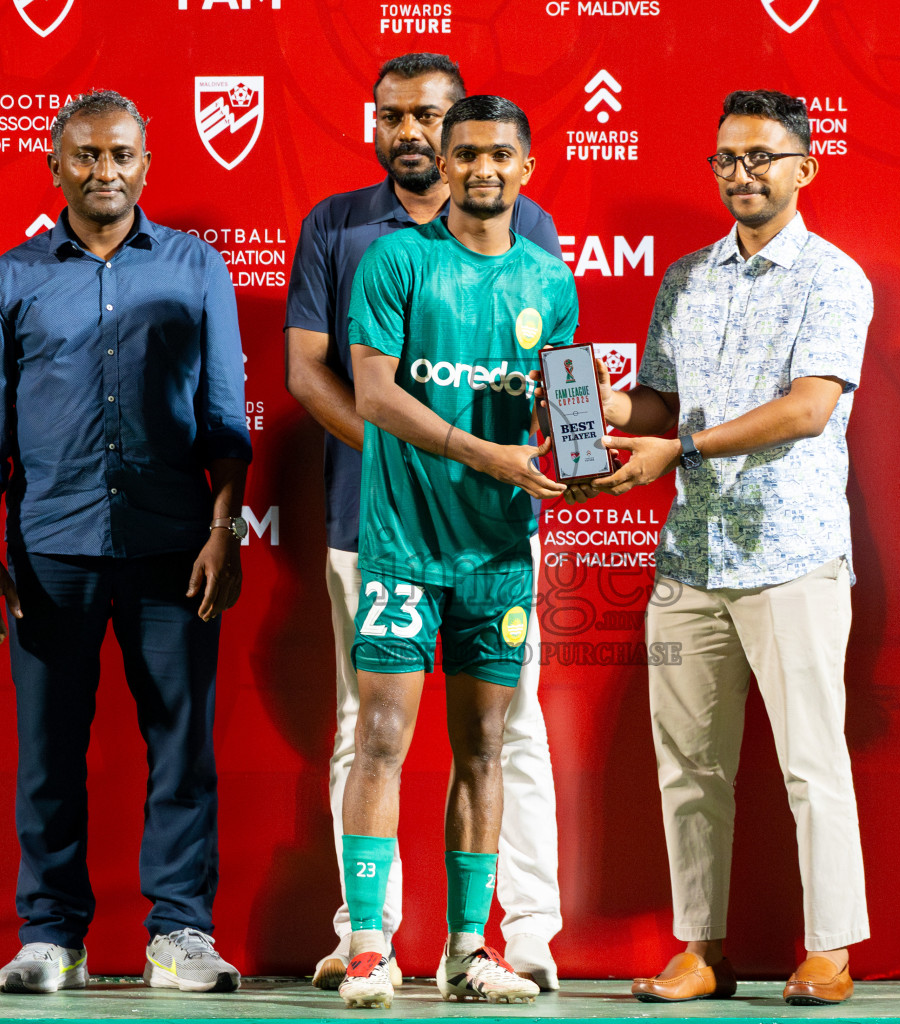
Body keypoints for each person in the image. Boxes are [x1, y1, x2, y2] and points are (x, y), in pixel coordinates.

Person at [574, 89, 872, 1006]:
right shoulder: (687, 279)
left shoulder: (834, 276)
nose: (744, 174)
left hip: (794, 552)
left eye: (763, 157)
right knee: (689, 765)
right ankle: (700, 947)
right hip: (690, 558)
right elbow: (662, 407)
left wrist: (682, 447)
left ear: (805, 167)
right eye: (728, 159)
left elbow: (808, 408)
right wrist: (600, 405)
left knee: (811, 759)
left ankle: (830, 950)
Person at [0, 90, 251, 995]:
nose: (105, 171)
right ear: (54, 166)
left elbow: (226, 421)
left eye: (121, 155)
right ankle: (51, 937)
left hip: (173, 546)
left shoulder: (198, 269)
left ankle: (181, 934)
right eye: (85, 156)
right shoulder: (10, 278)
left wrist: (223, 532)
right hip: (51, 547)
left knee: (182, 747)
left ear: (146, 166)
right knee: (49, 751)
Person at [285, 53, 563, 992]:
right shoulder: (383, 254)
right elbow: (367, 392)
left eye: (500, 154)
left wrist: (587, 452)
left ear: (527, 167)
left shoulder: (547, 272)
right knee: (374, 735)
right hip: (393, 537)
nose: (481, 168)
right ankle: (369, 939)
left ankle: (478, 946)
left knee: (495, 742)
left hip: (497, 546)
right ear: (443, 162)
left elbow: (554, 396)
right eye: (465, 153)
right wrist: (462, 455)